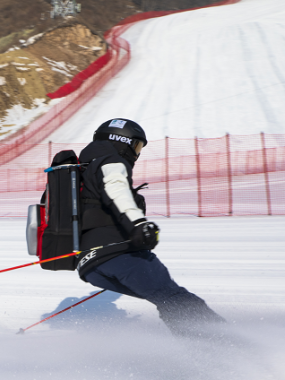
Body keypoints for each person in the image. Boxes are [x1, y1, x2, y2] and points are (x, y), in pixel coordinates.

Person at [76, 118, 225, 336]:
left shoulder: (84, 168)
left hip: (90, 266)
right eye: (136, 145)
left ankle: (199, 351)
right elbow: (117, 192)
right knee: (174, 298)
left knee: (166, 298)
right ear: (121, 140)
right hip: (118, 254)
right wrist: (139, 224)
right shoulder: (111, 162)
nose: (136, 152)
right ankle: (230, 346)